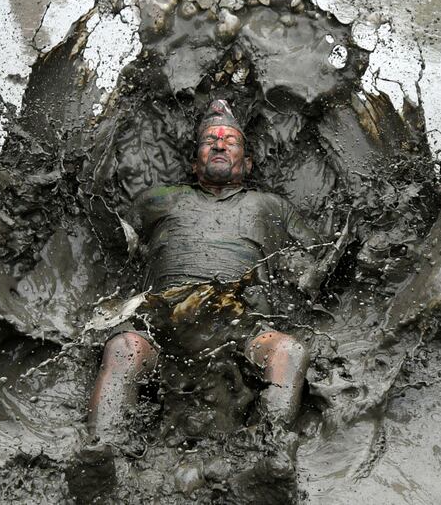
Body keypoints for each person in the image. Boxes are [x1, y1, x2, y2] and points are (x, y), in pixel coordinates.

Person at [86, 99, 322, 443]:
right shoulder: (159, 199)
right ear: (194, 164)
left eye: (230, 140)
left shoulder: (274, 207)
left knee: (289, 352)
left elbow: (316, 257)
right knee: (124, 350)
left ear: (249, 162)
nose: (220, 143)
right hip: (161, 320)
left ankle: (271, 453)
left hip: (242, 324)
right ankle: (101, 452)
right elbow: (116, 240)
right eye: (210, 141)